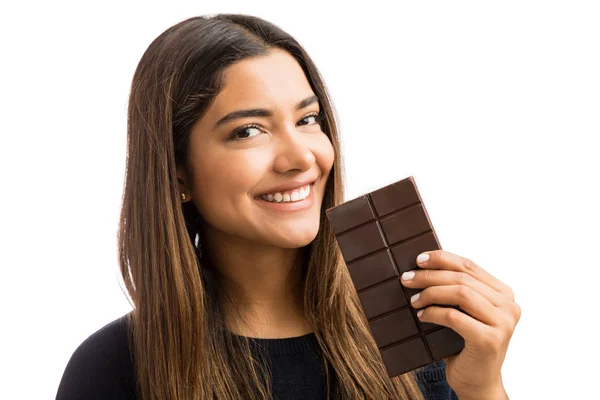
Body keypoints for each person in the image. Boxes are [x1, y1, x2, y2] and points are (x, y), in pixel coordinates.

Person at [56, 14, 520, 400]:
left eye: (307, 119)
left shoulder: (419, 329)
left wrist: (483, 386)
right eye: (248, 131)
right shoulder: (113, 368)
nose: (301, 157)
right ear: (178, 174)